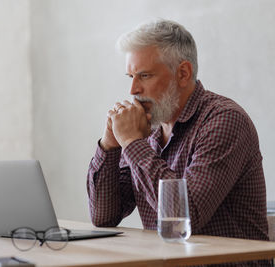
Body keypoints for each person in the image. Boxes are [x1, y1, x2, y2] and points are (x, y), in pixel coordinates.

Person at [86, 19, 270, 266]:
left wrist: (131, 142)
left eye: (145, 75)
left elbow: (184, 217)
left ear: (183, 73)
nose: (133, 89)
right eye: (130, 76)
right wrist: (110, 145)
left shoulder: (225, 120)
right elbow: (103, 217)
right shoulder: (148, 130)